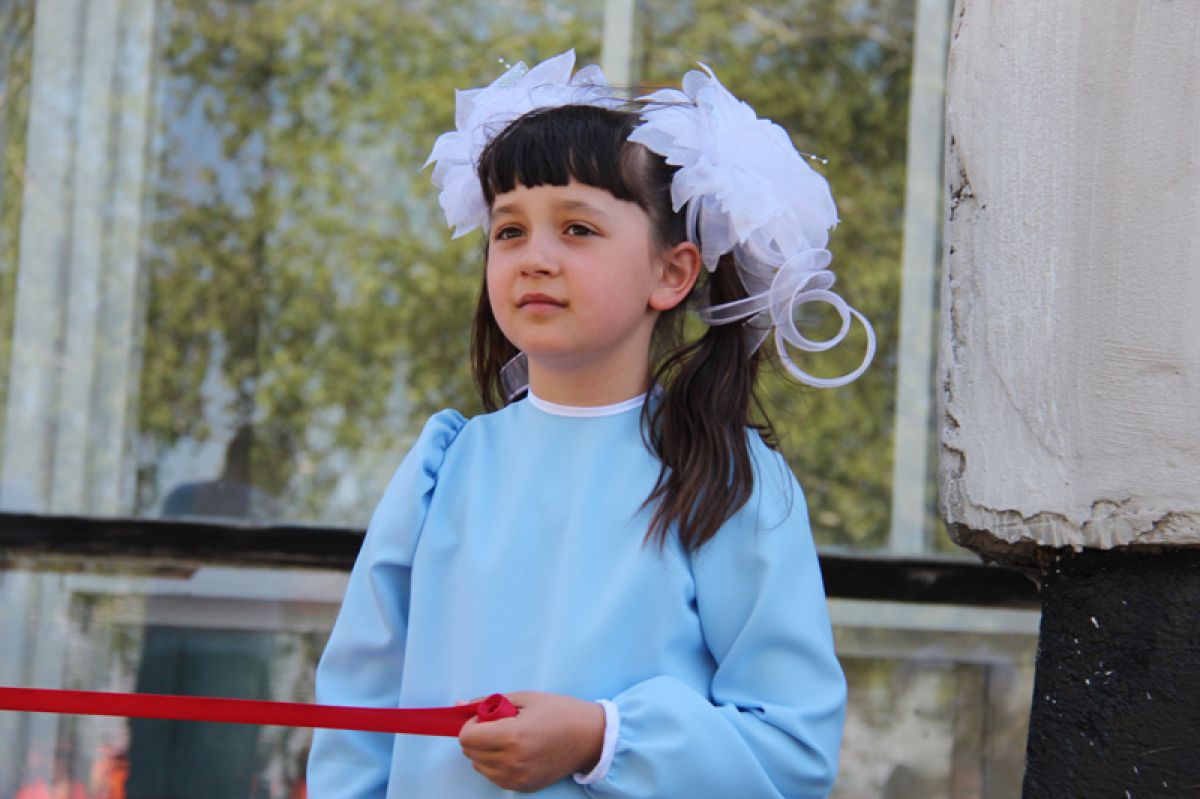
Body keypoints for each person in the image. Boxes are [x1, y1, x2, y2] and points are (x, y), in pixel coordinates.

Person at [308, 50, 875, 798]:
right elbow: (356, 715)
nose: (534, 258)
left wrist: (601, 738)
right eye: (509, 231)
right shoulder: (443, 467)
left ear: (673, 272)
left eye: (577, 228)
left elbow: (791, 752)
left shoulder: (728, 480)